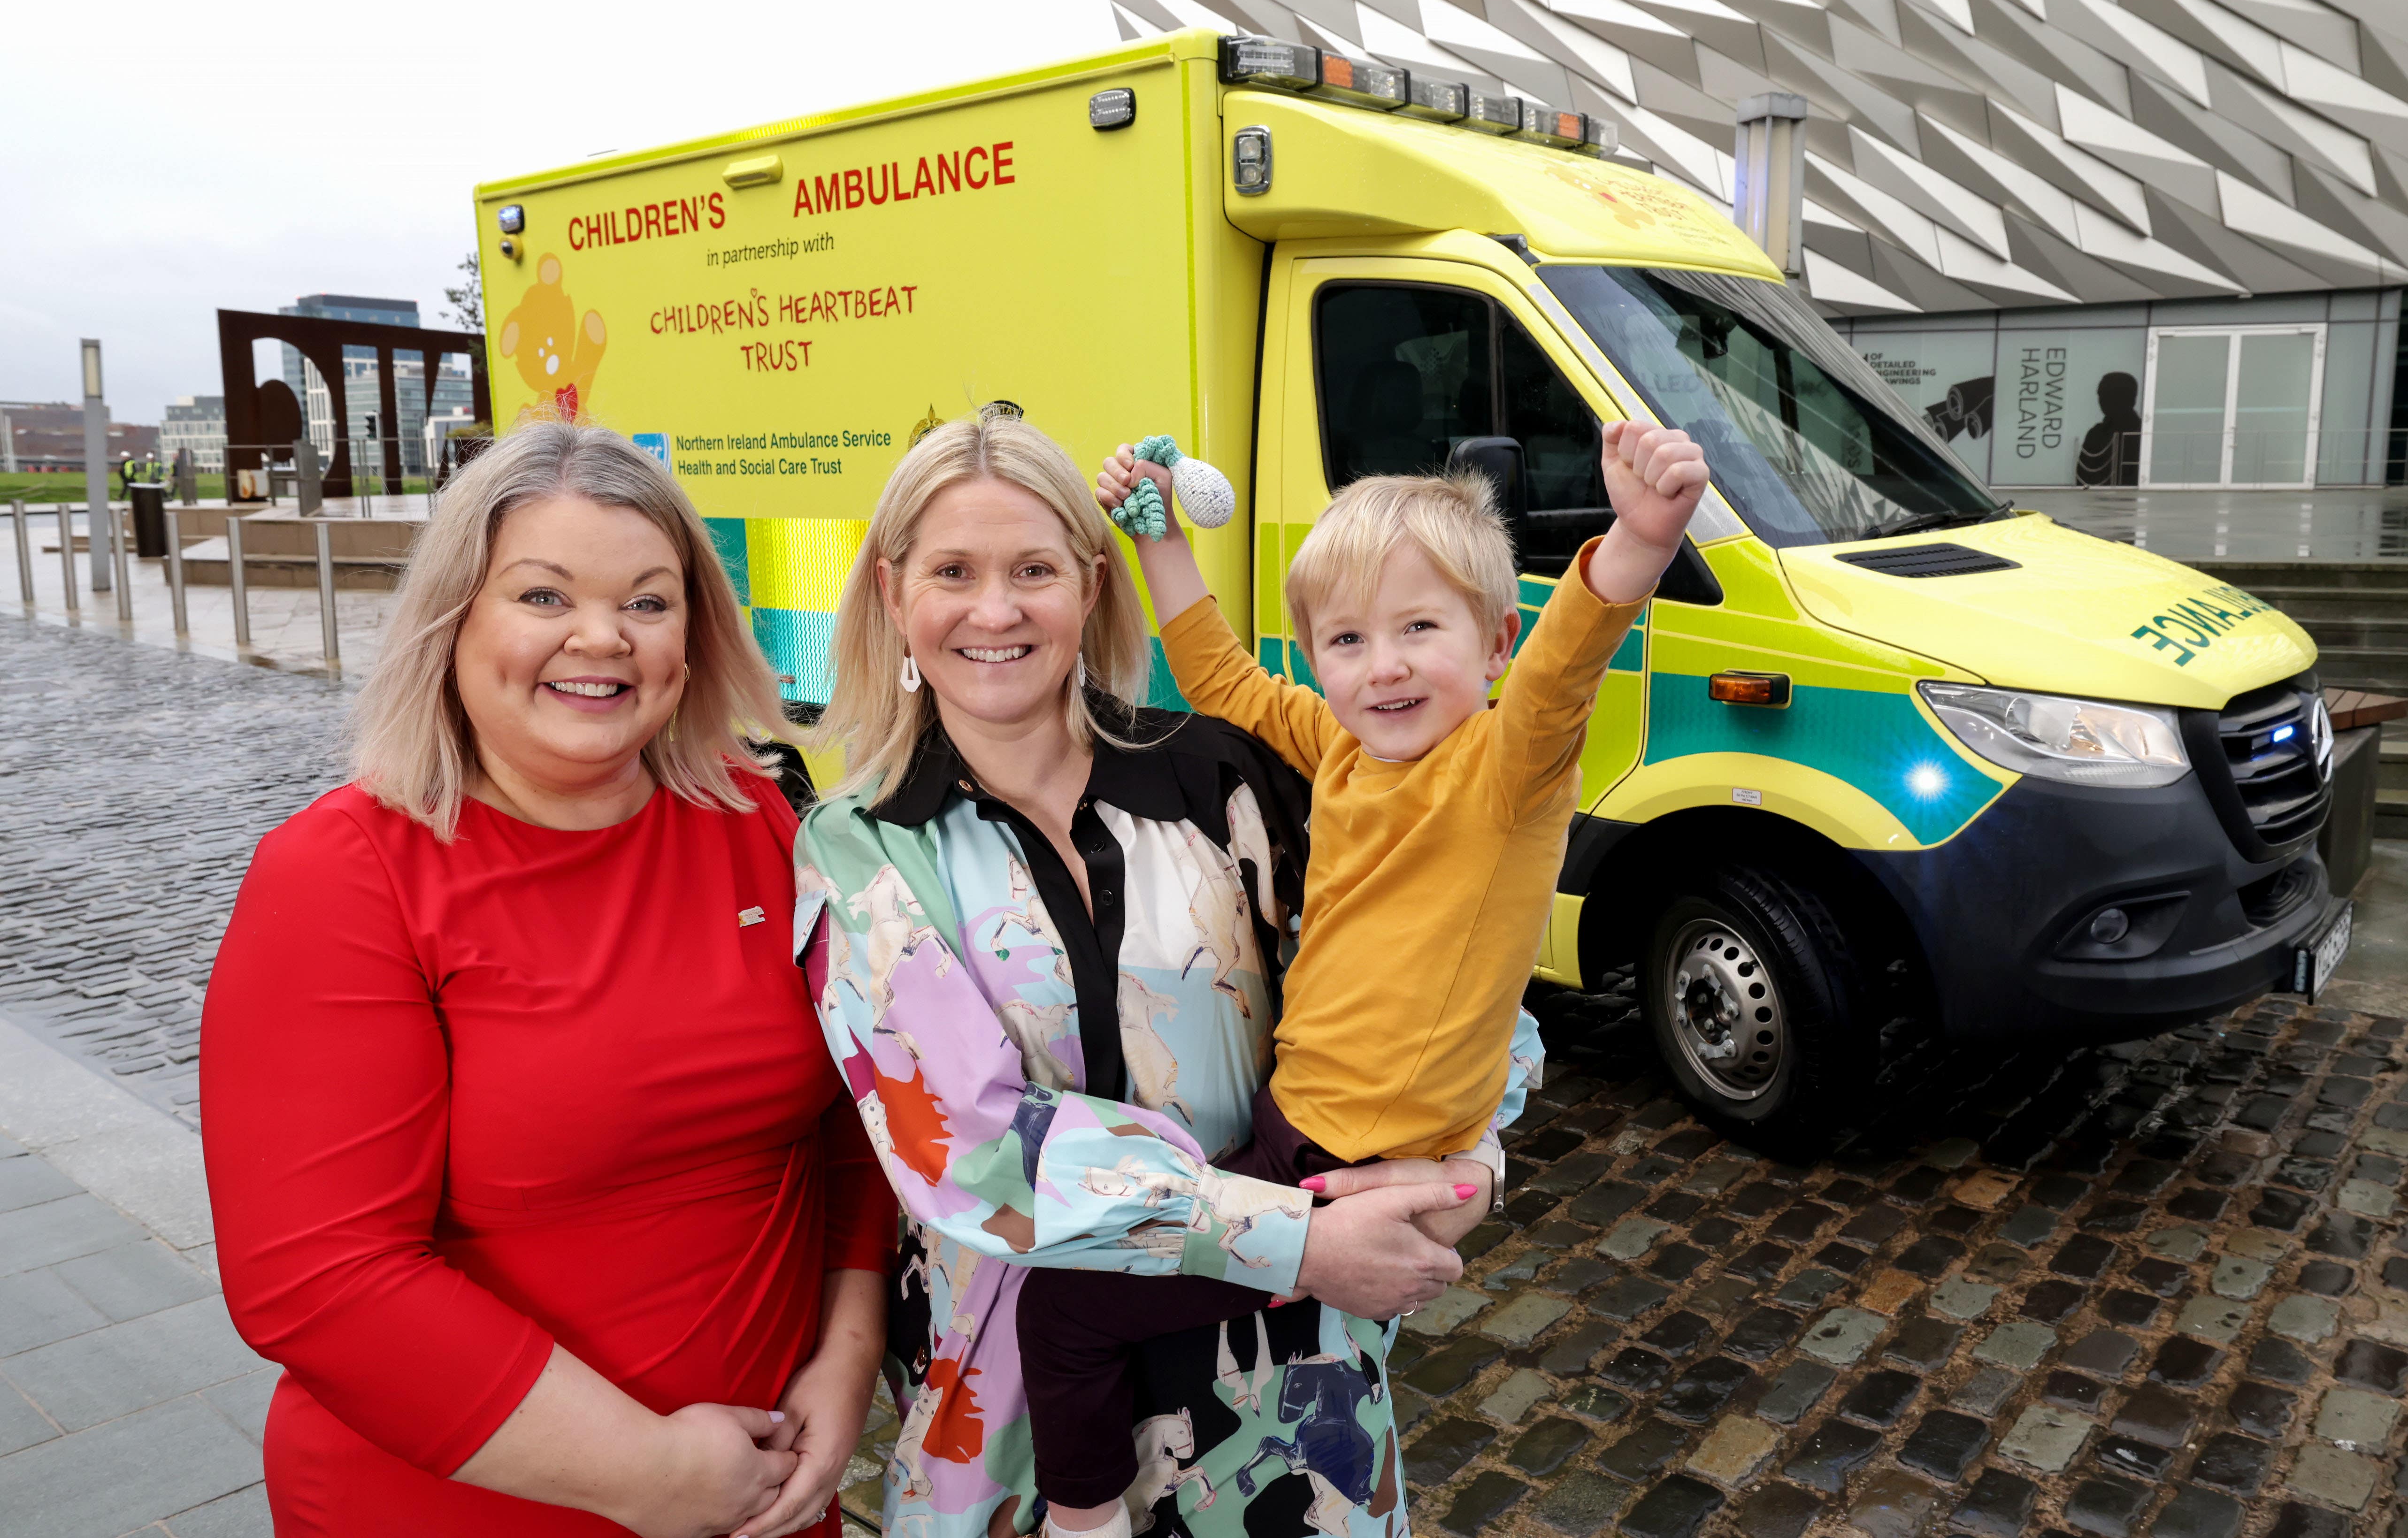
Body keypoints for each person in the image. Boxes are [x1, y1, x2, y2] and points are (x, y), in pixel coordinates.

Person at [796, 410, 1518, 1538]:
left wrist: (1472, 1160)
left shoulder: (1223, 773)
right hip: (1022, 1429)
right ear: (894, 596)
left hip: (1285, 1398)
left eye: (1033, 569)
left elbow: (1441, 961)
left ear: (1090, 587)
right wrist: (1298, 1238)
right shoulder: (864, 845)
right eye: (953, 572)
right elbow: (975, 1148)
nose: (996, 610)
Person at [200, 420, 893, 1538]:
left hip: (763, 1489)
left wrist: (845, 1367)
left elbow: (855, 1123)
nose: (602, 638)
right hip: (466, 1504)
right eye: (543, 597)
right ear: (454, 619)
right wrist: (649, 1475)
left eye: (648, 601)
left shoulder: (755, 822)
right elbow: (320, 1278)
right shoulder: (346, 873)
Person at [1014, 425, 1708, 1531]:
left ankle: (1084, 1516)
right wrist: (1158, 540)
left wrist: (1638, 538)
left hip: (1345, 1161)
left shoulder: (1506, 766)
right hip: (1305, 1125)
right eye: (1346, 639)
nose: (1381, 665)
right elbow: (1223, 675)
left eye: (1418, 629)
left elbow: (1573, 656)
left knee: (1065, 1310)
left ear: (1496, 644)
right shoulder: (1340, 747)